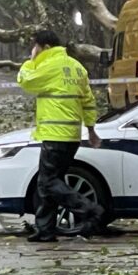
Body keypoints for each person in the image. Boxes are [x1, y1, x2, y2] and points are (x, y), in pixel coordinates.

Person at [17, 30, 104, 242]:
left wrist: (29, 63)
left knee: (47, 183)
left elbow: (26, 81)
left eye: (35, 47)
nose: (33, 51)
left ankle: (89, 209)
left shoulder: (50, 66)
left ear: (45, 47)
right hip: (71, 135)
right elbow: (88, 101)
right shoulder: (76, 67)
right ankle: (45, 230)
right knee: (49, 183)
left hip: (55, 135)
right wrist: (91, 129)